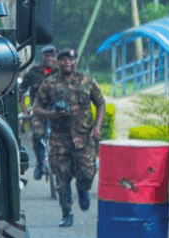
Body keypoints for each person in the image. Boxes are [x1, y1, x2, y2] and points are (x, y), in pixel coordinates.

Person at [32, 47, 106, 227]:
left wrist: (97, 127)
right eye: (63, 60)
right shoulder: (49, 84)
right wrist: (52, 114)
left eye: (71, 60)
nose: (67, 63)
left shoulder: (87, 81)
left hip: (84, 137)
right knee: (62, 178)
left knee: (88, 172)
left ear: (75, 62)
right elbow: (37, 109)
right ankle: (67, 213)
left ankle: (83, 190)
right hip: (59, 139)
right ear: (58, 62)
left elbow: (101, 103)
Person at [18, 44, 56, 180]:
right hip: (38, 111)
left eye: (52, 56)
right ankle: (40, 164)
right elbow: (21, 91)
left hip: (57, 111)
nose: (50, 59)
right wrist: (24, 110)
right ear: (43, 57)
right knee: (37, 136)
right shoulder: (33, 73)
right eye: (47, 56)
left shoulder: (61, 72)